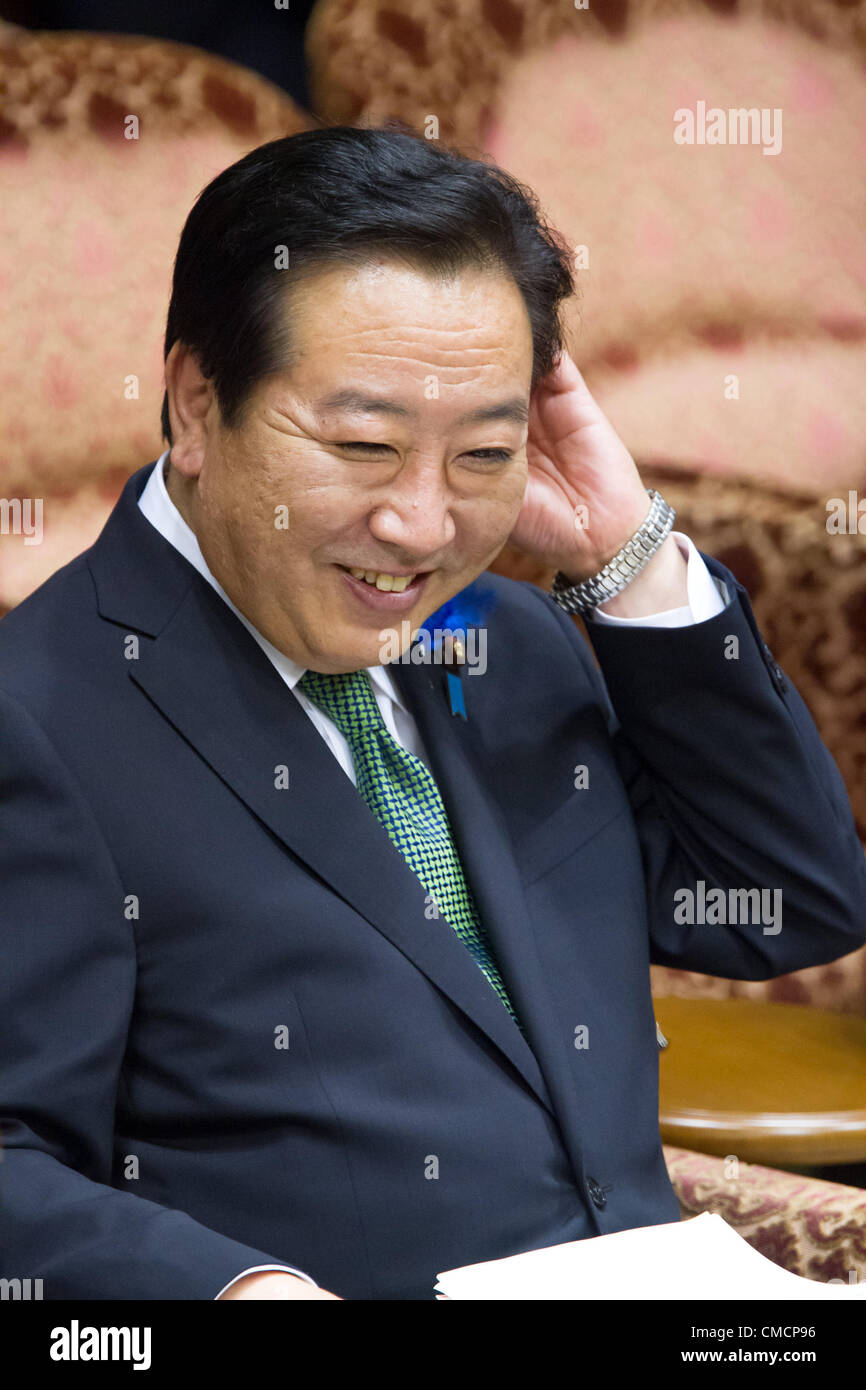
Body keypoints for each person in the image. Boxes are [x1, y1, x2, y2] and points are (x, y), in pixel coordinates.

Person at [1, 127, 864, 1302]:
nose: (420, 524)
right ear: (197, 403)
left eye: (483, 452)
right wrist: (237, 1289)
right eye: (364, 445)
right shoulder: (40, 719)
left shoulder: (503, 640)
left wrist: (628, 560)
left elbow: (788, 903)